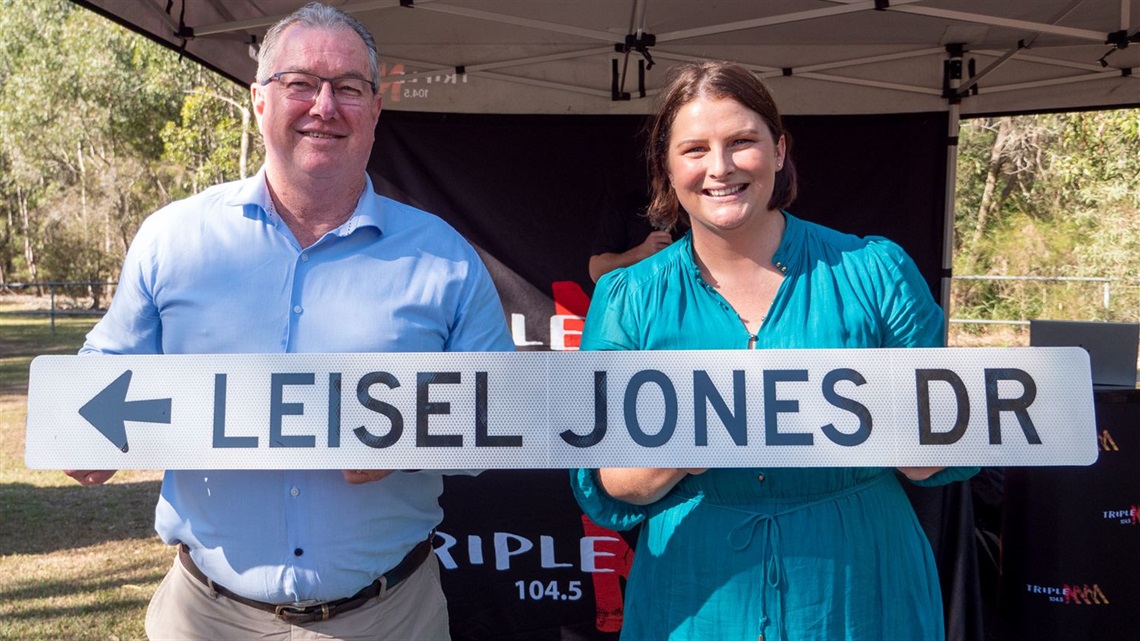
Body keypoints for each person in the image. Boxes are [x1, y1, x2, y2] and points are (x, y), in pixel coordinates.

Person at [64, 3, 512, 639]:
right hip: (206, 617)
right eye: (300, 83)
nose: (324, 106)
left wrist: (408, 432)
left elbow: (503, 411)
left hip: (392, 618)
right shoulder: (172, 240)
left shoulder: (445, 257)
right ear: (258, 100)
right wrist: (79, 436)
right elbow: (99, 380)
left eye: (349, 88)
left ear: (376, 109)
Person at [570, 61, 978, 641]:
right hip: (696, 587)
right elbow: (610, 480)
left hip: (862, 583)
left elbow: (943, 444)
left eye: (742, 142)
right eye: (694, 149)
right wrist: (692, 437)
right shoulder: (628, 296)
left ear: (780, 150)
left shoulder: (876, 272)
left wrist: (917, 440)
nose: (720, 168)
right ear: (667, 165)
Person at [587, 189, 679, 282]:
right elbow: (596, 270)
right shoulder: (629, 205)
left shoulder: (690, 208)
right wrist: (640, 253)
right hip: (640, 291)